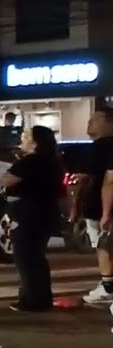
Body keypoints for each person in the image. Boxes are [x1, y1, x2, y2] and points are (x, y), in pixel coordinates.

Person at [1, 125, 64, 311]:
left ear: (35, 143)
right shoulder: (53, 162)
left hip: (28, 213)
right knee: (37, 258)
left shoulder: (29, 162)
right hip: (46, 213)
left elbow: (7, 179)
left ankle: (32, 300)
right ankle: (42, 297)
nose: (22, 139)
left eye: (26, 136)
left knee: (25, 258)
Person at [76, 108, 113, 304]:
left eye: (95, 119)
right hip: (98, 205)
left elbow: (99, 180)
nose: (90, 122)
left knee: (103, 245)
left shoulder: (101, 147)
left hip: (101, 206)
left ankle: (108, 287)